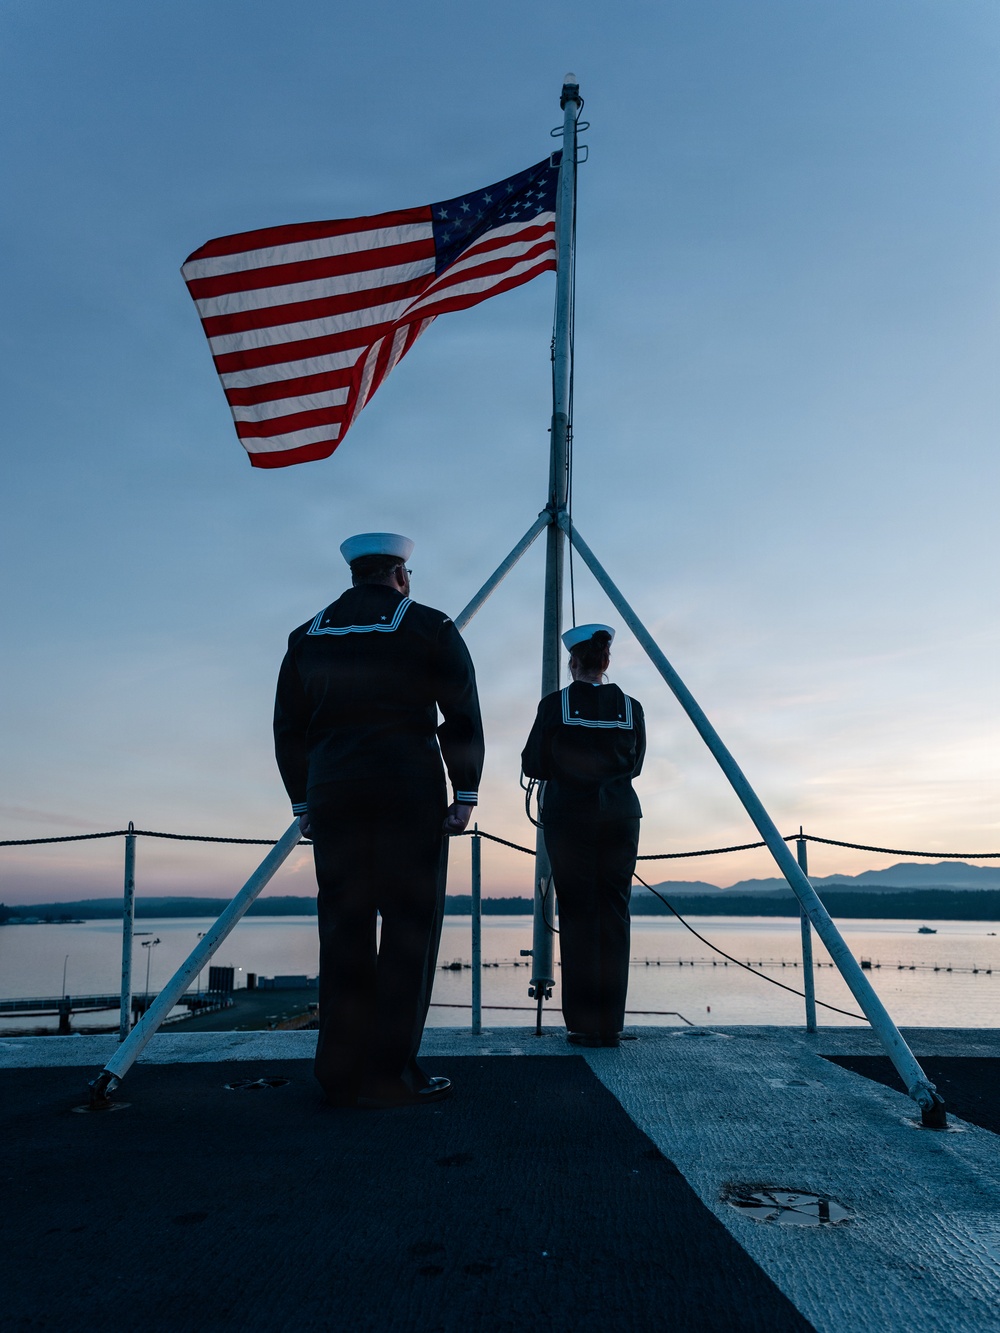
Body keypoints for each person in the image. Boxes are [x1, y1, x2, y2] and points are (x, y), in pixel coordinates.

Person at [273, 532, 484, 1107]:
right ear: (400, 574)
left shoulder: (304, 637)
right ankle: (391, 1073)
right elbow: (459, 712)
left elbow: (290, 727)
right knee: (409, 926)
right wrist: (465, 790)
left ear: (354, 574)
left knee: (344, 927)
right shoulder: (428, 626)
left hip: (333, 792)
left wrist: (302, 801)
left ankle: (340, 1075)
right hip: (406, 790)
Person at [521, 624, 645, 1048]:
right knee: (613, 913)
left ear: (573, 661)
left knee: (576, 913)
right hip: (621, 818)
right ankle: (610, 1024)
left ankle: (581, 1024)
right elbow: (637, 765)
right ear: (606, 661)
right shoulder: (632, 708)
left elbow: (533, 762)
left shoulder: (555, 705)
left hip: (570, 819)